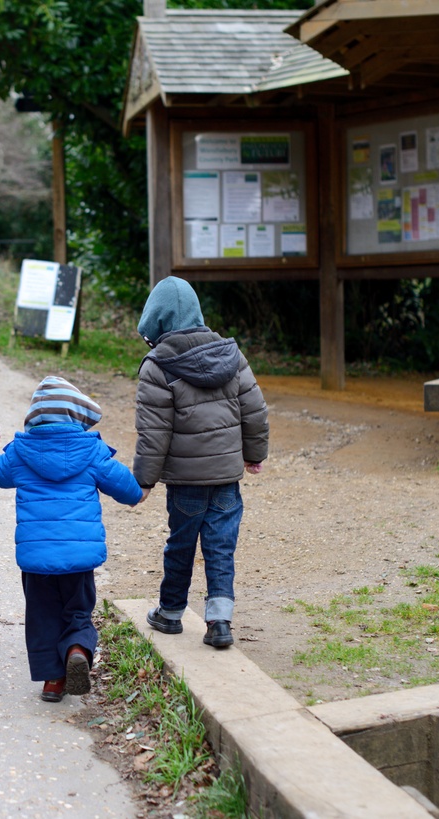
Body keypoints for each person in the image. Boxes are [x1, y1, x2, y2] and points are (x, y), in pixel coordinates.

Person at [0, 376, 142, 702]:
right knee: (78, 610)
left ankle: (53, 681)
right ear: (76, 416)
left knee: (42, 615)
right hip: (79, 559)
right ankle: (77, 649)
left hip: (37, 561)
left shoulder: (20, 452)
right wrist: (138, 492)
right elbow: (127, 488)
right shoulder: (92, 451)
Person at [133, 276, 268, 649]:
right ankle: (220, 621)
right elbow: (255, 410)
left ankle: (170, 612)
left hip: (186, 483)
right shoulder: (230, 355)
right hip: (226, 478)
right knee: (220, 546)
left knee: (181, 544)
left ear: (155, 320)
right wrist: (254, 454)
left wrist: (143, 481)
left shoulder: (158, 366)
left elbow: (153, 433)